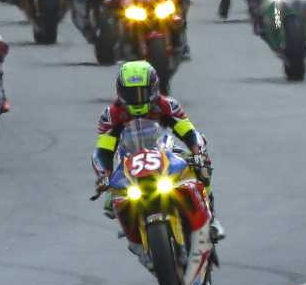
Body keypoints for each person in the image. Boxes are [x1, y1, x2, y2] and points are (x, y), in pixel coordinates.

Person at [91, 59, 218, 233]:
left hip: (164, 150)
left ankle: (211, 218)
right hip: (129, 160)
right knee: (110, 199)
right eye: (130, 93)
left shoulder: (167, 105)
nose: (137, 98)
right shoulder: (111, 115)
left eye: (142, 92)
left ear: (154, 88)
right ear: (120, 92)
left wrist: (197, 153)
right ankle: (132, 230)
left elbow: (188, 132)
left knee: (201, 169)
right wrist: (103, 175)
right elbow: (103, 151)